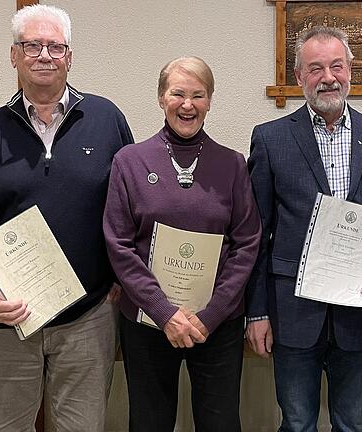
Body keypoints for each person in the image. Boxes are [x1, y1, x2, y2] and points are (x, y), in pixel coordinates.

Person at [0, 4, 133, 431]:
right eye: (32, 45)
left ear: (70, 55)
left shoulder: (106, 120)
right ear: (14, 55)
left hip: (89, 318)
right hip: (9, 320)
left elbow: (130, 207)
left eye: (55, 46)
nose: (44, 55)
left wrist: (122, 279)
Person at [246, 26, 362, 431]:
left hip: (359, 311)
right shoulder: (270, 139)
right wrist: (257, 311)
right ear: (299, 77)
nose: (328, 77)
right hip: (292, 312)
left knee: (352, 424)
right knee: (298, 422)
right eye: (315, 68)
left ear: (351, 70)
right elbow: (255, 234)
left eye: (336, 66)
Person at [103, 56, 261, 431]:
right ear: (161, 98)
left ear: (209, 101)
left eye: (198, 95)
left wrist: (210, 315)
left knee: (221, 423)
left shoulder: (233, 164)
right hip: (148, 321)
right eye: (177, 93)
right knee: (149, 422)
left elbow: (247, 242)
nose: (187, 104)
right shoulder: (129, 162)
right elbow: (119, 245)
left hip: (216, 322)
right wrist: (163, 311)